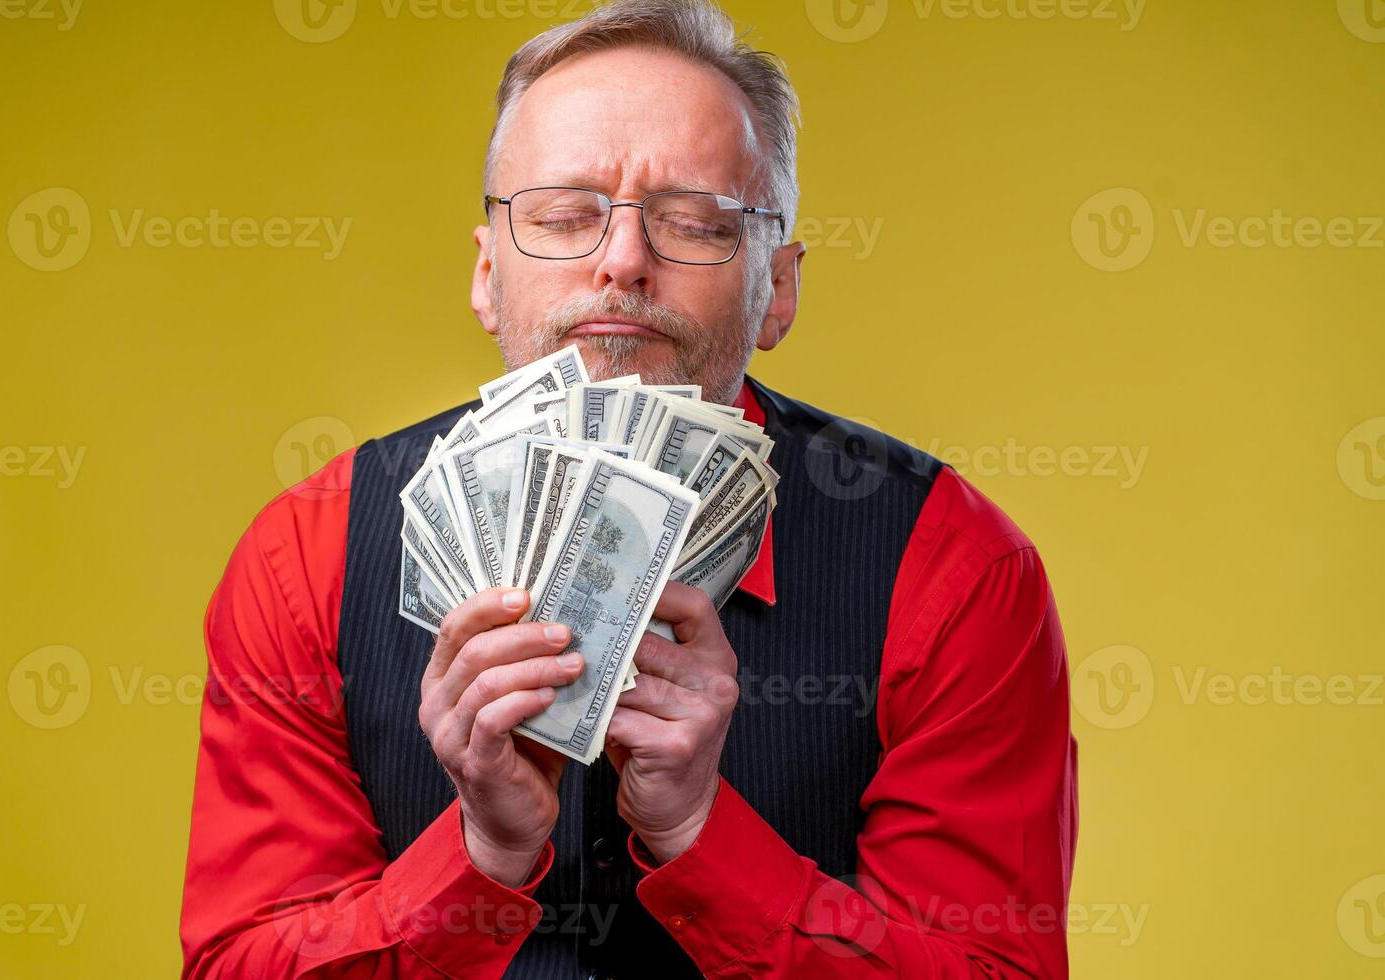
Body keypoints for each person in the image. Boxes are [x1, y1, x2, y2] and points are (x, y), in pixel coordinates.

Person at [180, 1, 1078, 976]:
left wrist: (702, 831)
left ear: (776, 288)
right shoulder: (304, 557)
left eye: (693, 222)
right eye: (565, 216)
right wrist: (477, 855)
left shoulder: (954, 568)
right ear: (487, 273)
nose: (621, 261)